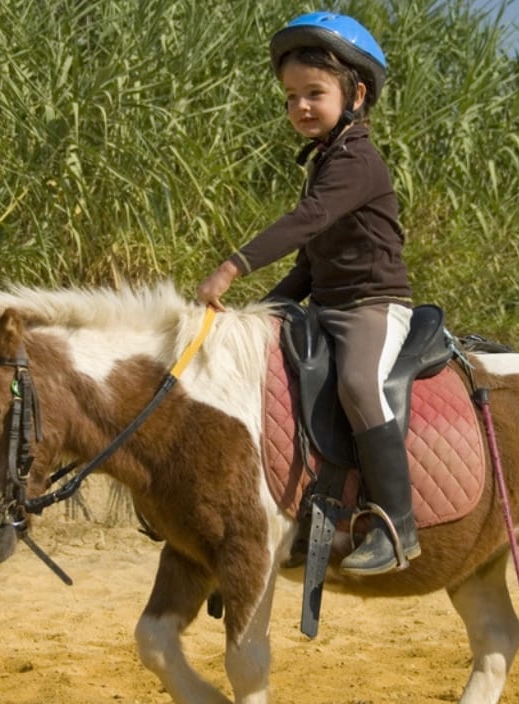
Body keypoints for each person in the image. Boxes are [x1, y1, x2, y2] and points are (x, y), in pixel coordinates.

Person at [196, 11, 420, 575]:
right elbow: (310, 263)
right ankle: (301, 511)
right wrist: (262, 310)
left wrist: (232, 268)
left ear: (356, 95)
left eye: (314, 93)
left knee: (358, 384)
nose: (300, 106)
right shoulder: (325, 160)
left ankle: (398, 525)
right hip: (325, 306)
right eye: (290, 97)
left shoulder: (357, 161)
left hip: (371, 307)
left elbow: (308, 221)